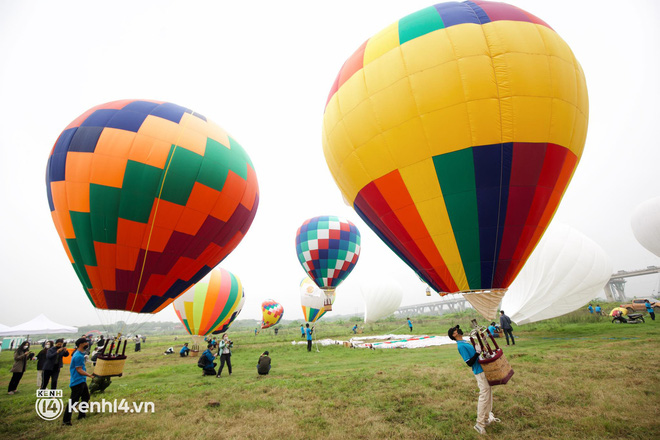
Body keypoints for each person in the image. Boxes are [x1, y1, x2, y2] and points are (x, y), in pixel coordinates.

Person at [448, 325, 500, 435]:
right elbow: (469, 363)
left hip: (483, 368)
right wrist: (477, 353)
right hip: (479, 372)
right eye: (456, 330)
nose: (459, 329)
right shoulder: (461, 346)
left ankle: (486, 418)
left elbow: (475, 357)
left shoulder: (465, 342)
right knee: (484, 394)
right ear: (454, 334)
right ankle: (479, 424)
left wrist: (479, 352)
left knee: (488, 393)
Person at [62, 338, 94, 426]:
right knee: (73, 401)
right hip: (77, 381)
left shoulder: (80, 354)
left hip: (82, 380)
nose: (87, 344)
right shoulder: (78, 356)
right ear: (80, 344)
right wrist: (90, 375)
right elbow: (79, 370)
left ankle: (82, 415)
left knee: (86, 397)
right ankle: (66, 421)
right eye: (85, 343)